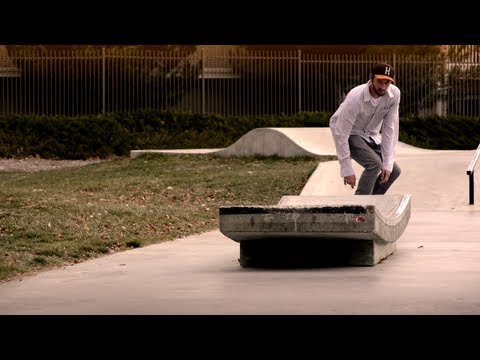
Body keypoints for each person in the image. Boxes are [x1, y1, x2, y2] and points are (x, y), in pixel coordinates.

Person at [329, 62, 401, 195]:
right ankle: (360, 206)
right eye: (380, 82)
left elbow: (390, 129)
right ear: (371, 77)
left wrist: (387, 163)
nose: (383, 87)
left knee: (393, 170)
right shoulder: (356, 97)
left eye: (387, 83)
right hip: (351, 132)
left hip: (371, 135)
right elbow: (341, 133)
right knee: (374, 164)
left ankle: (372, 202)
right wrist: (347, 169)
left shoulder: (394, 95)